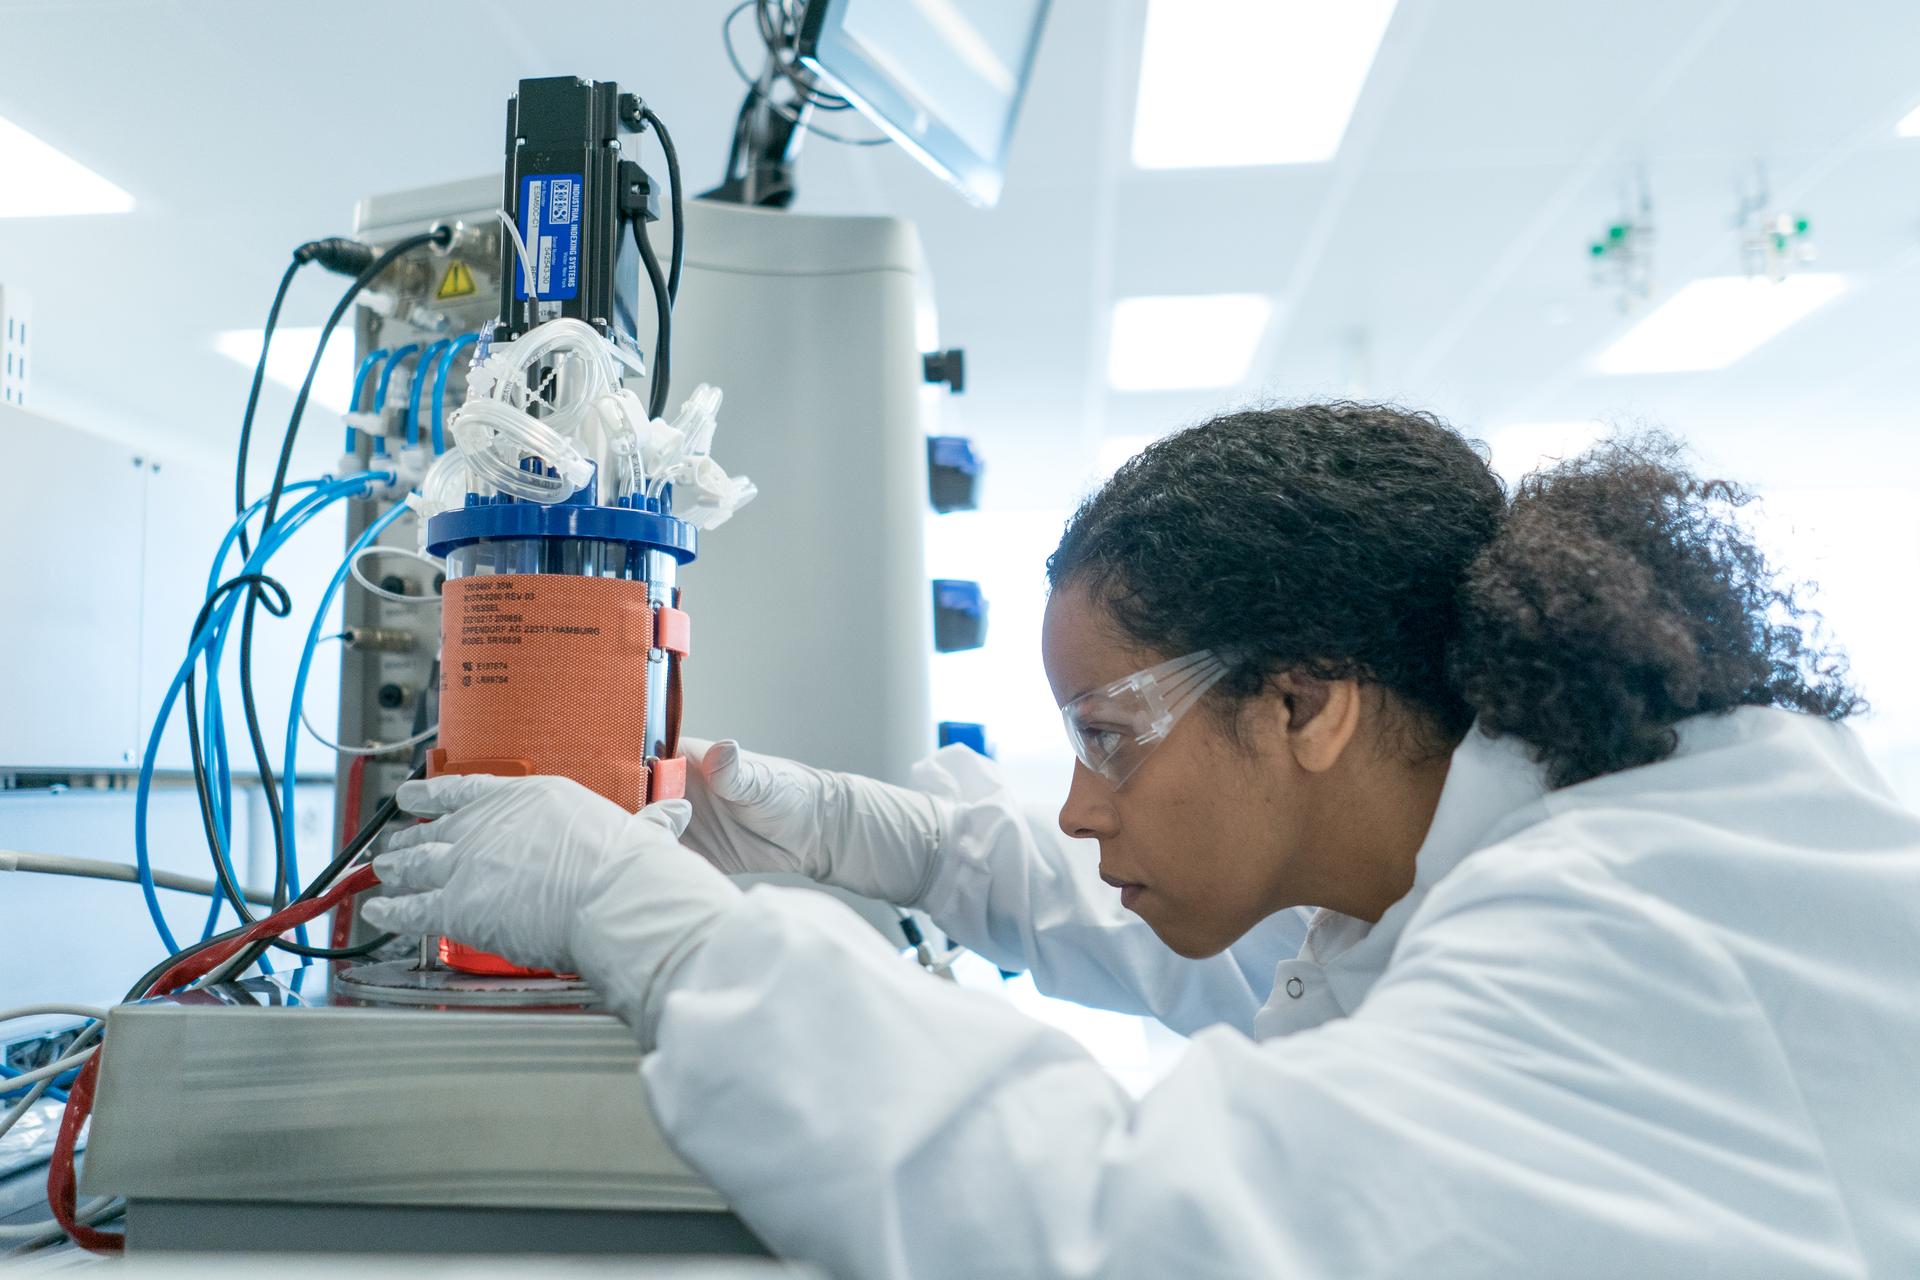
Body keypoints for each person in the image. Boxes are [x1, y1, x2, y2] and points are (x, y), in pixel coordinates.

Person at [363, 404, 1920, 1278]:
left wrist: (654, 920)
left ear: (1304, 703)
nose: (1080, 804)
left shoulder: (1617, 919)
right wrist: (897, 846)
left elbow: (1120, 1229)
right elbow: (1271, 962)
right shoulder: (1535, 831)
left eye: (1109, 736)